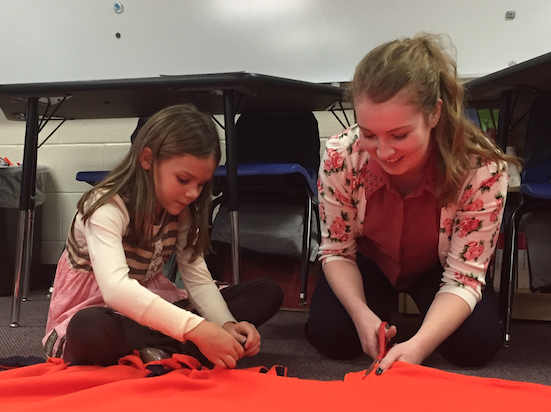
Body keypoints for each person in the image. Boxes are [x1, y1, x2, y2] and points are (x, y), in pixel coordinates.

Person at [305, 33, 521, 373]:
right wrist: (361, 315)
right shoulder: (341, 156)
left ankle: (414, 325)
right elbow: (337, 251)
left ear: (434, 115)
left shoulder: (481, 168)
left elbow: (464, 276)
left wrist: (419, 346)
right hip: (369, 260)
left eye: (400, 135)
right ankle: (376, 308)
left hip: (437, 267)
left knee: (474, 345)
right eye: (369, 134)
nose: (384, 152)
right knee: (333, 335)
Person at [44, 104, 283, 368]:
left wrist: (225, 325)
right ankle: (185, 348)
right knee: (90, 328)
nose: (193, 193)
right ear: (147, 159)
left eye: (201, 184)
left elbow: (199, 282)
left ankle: (165, 350)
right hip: (103, 310)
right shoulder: (105, 206)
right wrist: (198, 329)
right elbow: (116, 292)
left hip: (153, 309)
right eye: (183, 179)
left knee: (267, 290)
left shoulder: (182, 210)